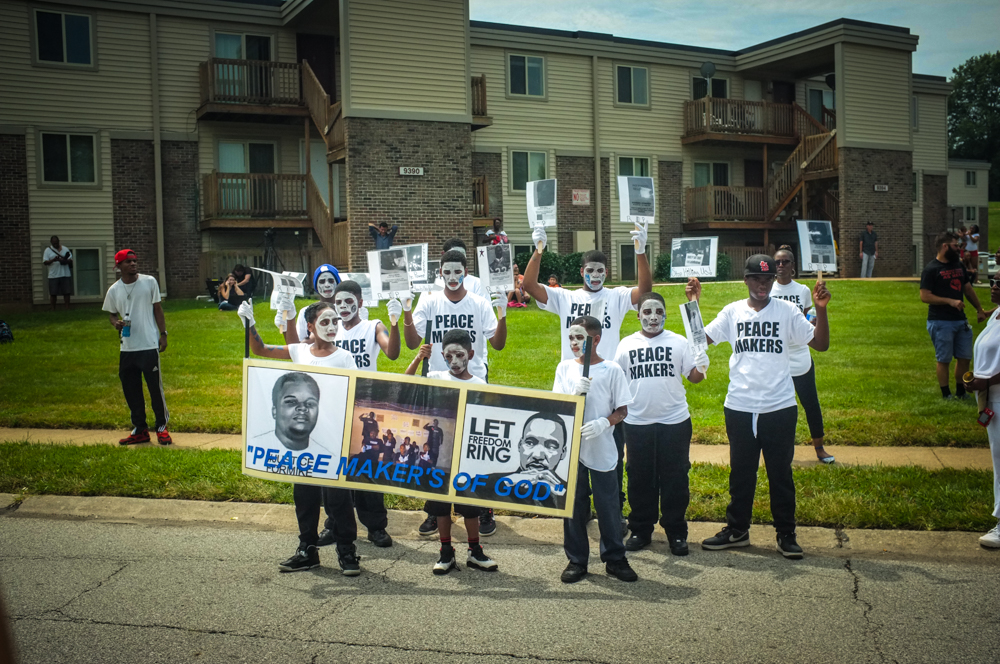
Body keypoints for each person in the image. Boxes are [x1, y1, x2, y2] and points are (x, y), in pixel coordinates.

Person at [687, 255, 830, 559]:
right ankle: (737, 529)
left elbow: (820, 344)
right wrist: (693, 305)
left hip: (779, 406)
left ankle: (786, 534)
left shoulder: (787, 311)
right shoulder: (733, 312)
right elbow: (700, 340)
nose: (762, 285)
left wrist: (820, 309)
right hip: (740, 405)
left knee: (780, 474)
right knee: (741, 472)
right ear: (746, 280)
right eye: (756, 279)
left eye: (768, 280)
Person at [523, 223, 653, 524]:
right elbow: (529, 286)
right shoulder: (564, 298)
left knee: (611, 454)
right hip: (573, 384)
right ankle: (578, 511)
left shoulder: (616, 296)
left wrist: (640, 252)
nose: (595, 275)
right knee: (573, 454)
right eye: (590, 270)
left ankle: (614, 513)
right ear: (581, 271)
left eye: (600, 271)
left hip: (606, 384)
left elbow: (644, 291)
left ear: (607, 273)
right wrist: (538, 250)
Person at [237, 300, 363, 575]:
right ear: (311, 326)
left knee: (338, 496)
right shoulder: (299, 351)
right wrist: (250, 324)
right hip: (305, 439)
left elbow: (355, 393)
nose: (332, 327)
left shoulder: (344, 357)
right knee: (304, 494)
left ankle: (346, 549)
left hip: (333, 437)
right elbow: (261, 350)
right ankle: (307, 549)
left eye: (335, 321)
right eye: (325, 322)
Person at [286, 278, 400, 549]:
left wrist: (396, 322)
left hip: (365, 408)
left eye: (350, 301)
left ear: (360, 302)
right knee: (334, 472)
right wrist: (288, 316)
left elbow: (393, 353)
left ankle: (376, 526)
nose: (344, 307)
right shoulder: (329, 330)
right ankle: (334, 524)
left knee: (366, 468)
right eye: (339, 302)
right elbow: (297, 350)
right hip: (332, 410)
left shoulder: (372, 327)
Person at [405, 248, 508, 536]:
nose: (452, 277)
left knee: (473, 445)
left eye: (457, 272)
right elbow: (412, 343)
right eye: (447, 272)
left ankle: (482, 508)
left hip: (473, 381)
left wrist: (502, 315)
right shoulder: (430, 301)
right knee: (438, 448)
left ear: (466, 273)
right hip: (439, 382)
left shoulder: (478, 302)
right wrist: (406, 311)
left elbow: (498, 344)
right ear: (440, 273)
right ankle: (435, 508)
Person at [614, 292, 707, 557]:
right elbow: (617, 381)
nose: (653, 317)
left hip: (674, 421)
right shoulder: (626, 344)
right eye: (647, 312)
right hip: (637, 422)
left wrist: (701, 366)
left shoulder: (679, 342)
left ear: (666, 314)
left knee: (675, 478)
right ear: (638, 315)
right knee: (639, 477)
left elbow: (694, 377)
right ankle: (641, 529)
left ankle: (676, 531)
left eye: (658, 312)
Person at [404, 329, 498, 575]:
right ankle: (446, 551)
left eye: (460, 355)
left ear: (471, 354)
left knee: (470, 506)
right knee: (440, 506)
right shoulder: (435, 377)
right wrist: (418, 359)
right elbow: (405, 384)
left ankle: (475, 550)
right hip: (439, 459)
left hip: (466, 458)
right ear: (442, 357)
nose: (454, 361)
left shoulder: (479, 385)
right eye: (448, 356)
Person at [554, 316, 636, 583]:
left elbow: (622, 409)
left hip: (602, 445)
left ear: (596, 340)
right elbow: (557, 408)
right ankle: (577, 559)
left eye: (580, 337)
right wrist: (573, 395)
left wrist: (604, 422)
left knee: (608, 505)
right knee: (574, 504)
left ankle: (615, 558)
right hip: (572, 447)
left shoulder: (611, 370)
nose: (574, 342)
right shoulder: (565, 368)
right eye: (571, 337)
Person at [771, 246, 834, 464]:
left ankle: (820, 448)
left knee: (811, 404)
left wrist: (815, 317)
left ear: (793, 266)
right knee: (776, 407)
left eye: (785, 262)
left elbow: (810, 319)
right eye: (777, 262)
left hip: (800, 355)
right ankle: (776, 450)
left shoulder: (803, 291)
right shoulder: (768, 290)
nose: (781, 265)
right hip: (776, 357)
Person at [102, 249, 171, 446]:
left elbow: (158, 309)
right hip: (127, 348)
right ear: (118, 266)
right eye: (128, 261)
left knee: (155, 389)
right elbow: (112, 314)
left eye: (134, 261)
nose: (133, 264)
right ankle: (140, 429)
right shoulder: (114, 290)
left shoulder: (149, 282)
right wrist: (115, 323)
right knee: (131, 390)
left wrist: (163, 334)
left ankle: (161, 427)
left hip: (148, 344)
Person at [920, 231, 986, 400]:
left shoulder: (958, 266)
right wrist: (949, 301)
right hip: (940, 321)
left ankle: (961, 392)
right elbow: (925, 296)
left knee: (964, 357)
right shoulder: (931, 269)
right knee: (944, 359)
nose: (959, 248)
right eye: (956, 245)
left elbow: (967, 289)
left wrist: (979, 309)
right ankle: (946, 395)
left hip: (960, 320)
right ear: (945, 246)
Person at [960, 276, 1000, 549]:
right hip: (990, 399)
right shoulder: (996, 314)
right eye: (993, 280)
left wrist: (987, 381)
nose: (993, 286)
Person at [465, 412, 570, 511]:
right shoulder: (498, 482)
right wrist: (506, 482)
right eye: (530, 443)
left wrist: (562, 497)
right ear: (520, 445)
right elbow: (463, 490)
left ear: (563, 452)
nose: (537, 455)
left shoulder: (569, 492)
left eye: (551, 446)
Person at [43, 235, 73, 310]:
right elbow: (45, 262)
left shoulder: (65, 249)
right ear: (51, 243)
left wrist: (63, 260)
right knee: (53, 293)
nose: (55, 244)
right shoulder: (47, 250)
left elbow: (70, 260)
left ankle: (67, 308)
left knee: (66, 292)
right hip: (53, 275)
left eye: (56, 243)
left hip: (65, 274)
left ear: (59, 241)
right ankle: (53, 308)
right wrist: (53, 260)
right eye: (54, 243)